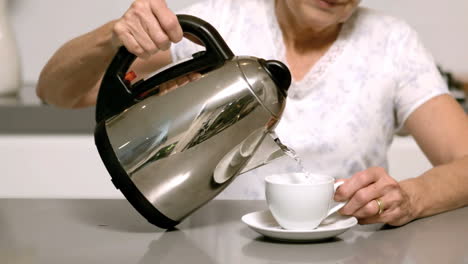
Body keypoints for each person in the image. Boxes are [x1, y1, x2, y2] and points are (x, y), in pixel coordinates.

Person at [36, 0, 468, 226]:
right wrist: (112, 36)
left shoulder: (391, 42)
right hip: (204, 249)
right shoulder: (214, 21)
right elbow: (57, 93)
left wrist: (412, 197)